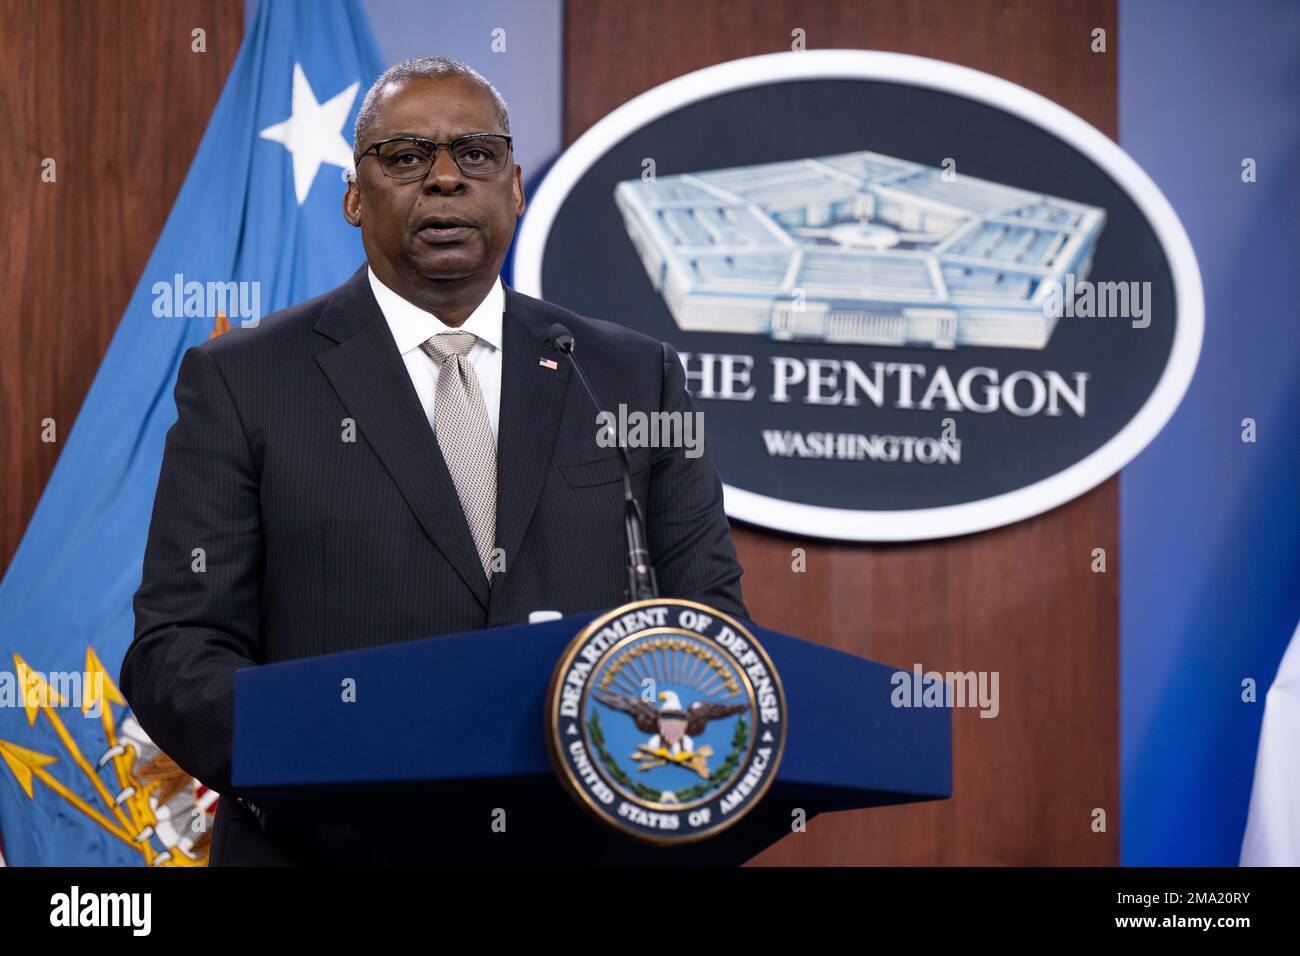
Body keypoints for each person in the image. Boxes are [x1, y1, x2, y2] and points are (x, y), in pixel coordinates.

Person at [120, 57, 747, 865]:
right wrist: (332, 753)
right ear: (353, 195)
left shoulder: (632, 377)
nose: (445, 179)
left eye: (475, 154)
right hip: (331, 847)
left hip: (579, 845)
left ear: (514, 187)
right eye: (406, 155)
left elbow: (712, 624)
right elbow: (178, 646)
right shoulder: (244, 379)